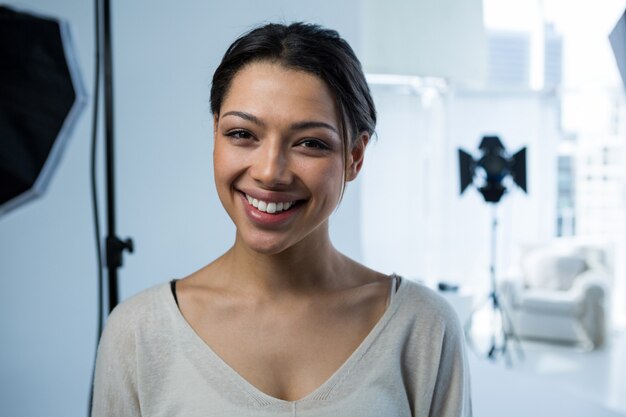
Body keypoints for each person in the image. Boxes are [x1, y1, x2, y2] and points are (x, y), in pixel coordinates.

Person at [91, 22, 472, 417]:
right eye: (242, 134)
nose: (270, 172)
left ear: (355, 157)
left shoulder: (423, 328)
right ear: (215, 135)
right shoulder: (139, 334)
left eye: (311, 143)